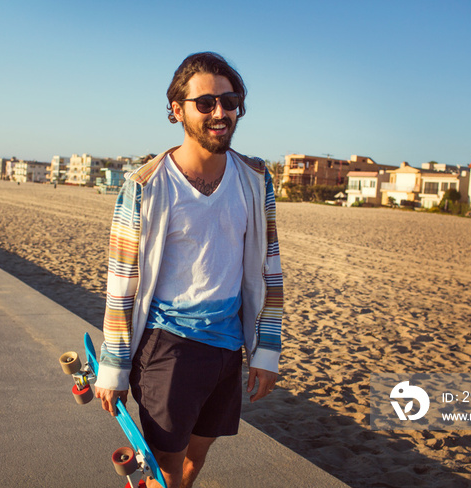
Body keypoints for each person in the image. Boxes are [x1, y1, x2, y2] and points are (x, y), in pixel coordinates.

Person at [94, 52, 283, 488]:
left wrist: (265, 351)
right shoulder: (145, 186)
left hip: (226, 348)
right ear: (177, 110)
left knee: (195, 461)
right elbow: (121, 285)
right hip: (168, 348)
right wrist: (114, 367)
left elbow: (269, 268)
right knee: (164, 469)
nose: (220, 112)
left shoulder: (255, 179)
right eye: (206, 103)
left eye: (230, 101)